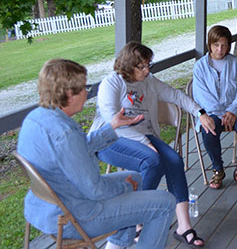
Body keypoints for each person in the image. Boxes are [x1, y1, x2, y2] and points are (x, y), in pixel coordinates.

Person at [17, 59, 176, 249]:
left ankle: (116, 246)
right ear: (69, 93)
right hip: (76, 216)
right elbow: (95, 189)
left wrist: (113, 126)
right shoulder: (64, 133)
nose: (88, 93)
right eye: (84, 87)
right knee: (164, 203)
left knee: (134, 177)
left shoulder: (36, 118)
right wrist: (125, 188)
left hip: (46, 208)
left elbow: (78, 149)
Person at [90, 41, 215, 248]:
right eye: (142, 66)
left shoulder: (148, 81)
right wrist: (146, 142)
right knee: (152, 160)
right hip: (110, 139)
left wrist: (200, 113)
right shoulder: (111, 84)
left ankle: (183, 227)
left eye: (149, 65)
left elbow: (175, 95)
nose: (147, 70)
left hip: (142, 136)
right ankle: (134, 218)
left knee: (174, 160)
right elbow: (113, 122)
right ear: (129, 64)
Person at [192, 25, 237, 189]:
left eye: (224, 45)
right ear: (210, 45)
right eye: (216, 45)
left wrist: (232, 111)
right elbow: (201, 95)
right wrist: (221, 113)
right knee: (209, 130)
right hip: (212, 111)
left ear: (229, 45)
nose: (220, 49)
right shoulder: (200, 66)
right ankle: (217, 169)